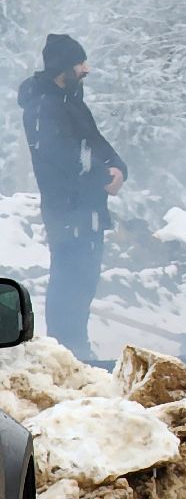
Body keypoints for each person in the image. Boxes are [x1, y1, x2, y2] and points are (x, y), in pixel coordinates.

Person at [17, 34, 127, 359]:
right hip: (67, 209)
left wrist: (119, 167)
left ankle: (77, 348)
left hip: (87, 206)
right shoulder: (43, 106)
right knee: (69, 281)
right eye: (80, 63)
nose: (86, 69)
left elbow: (95, 141)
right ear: (63, 66)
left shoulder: (70, 101)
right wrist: (101, 176)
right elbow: (61, 156)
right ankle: (67, 351)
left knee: (84, 281)